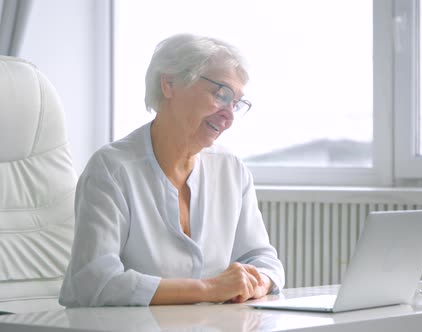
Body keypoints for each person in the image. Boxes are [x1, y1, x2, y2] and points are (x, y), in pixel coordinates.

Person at [59, 33, 285, 307]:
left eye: (235, 103)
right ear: (169, 84)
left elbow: (263, 259)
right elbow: (93, 281)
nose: (229, 116)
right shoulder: (112, 169)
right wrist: (208, 289)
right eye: (221, 94)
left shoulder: (232, 170)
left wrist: (256, 282)